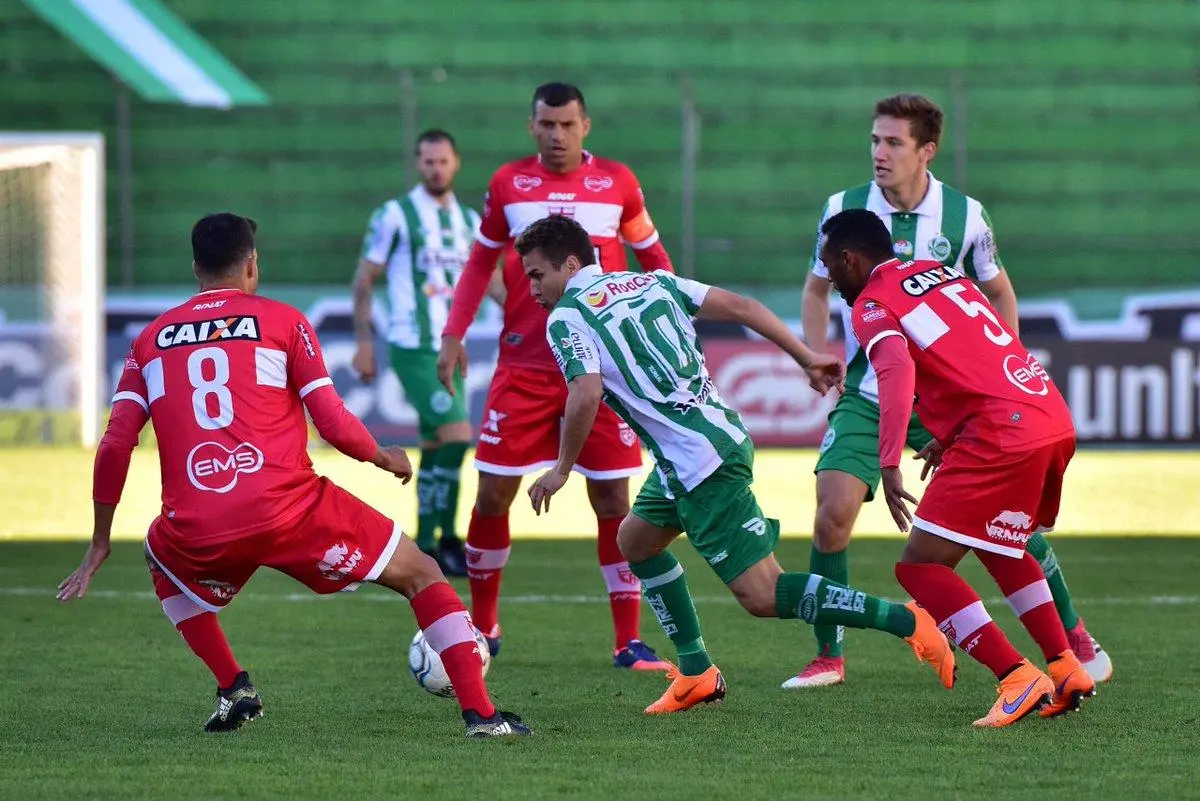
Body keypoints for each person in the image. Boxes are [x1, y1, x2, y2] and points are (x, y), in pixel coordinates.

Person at [56, 213, 529, 739]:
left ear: (195, 268)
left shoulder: (149, 341)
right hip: (291, 510)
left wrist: (100, 540)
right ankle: (482, 717)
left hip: (198, 523)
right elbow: (331, 422)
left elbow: (115, 444)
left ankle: (233, 688)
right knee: (421, 572)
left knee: (158, 555)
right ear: (253, 263)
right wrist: (382, 456)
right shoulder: (283, 322)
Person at [516, 214, 956, 715]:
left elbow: (585, 393)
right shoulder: (651, 280)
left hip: (699, 462)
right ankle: (697, 671)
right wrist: (806, 355)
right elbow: (742, 307)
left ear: (571, 265)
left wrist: (560, 467)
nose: (531, 288)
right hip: (702, 444)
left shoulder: (566, 317)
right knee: (635, 541)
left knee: (763, 595)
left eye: (536, 275)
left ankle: (907, 621)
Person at [792, 92, 1111, 689]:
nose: (879, 153)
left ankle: (1062, 643)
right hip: (871, 389)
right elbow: (815, 292)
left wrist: (994, 379)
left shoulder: (965, 215)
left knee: (1000, 533)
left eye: (893, 142)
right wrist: (816, 356)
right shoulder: (844, 208)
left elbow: (999, 295)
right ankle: (828, 654)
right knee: (832, 514)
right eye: (874, 140)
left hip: (947, 395)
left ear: (926, 151)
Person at [819, 207, 1097, 727]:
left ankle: (1016, 676)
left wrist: (889, 460)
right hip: (1047, 413)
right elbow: (972, 350)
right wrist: (948, 436)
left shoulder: (874, 304)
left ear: (850, 259)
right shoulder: (941, 272)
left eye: (832, 266)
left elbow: (897, 369)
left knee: (918, 567)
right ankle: (1065, 666)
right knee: (1001, 545)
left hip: (1001, 430)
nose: (832, 280)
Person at [436, 82, 674, 670]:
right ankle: (484, 628)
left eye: (567, 124)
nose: (557, 135)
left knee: (613, 498)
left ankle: (628, 641)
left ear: (585, 125)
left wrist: (668, 328)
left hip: (603, 367)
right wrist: (453, 333)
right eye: (547, 124)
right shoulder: (507, 184)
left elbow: (656, 261)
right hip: (523, 366)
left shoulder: (618, 183)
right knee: (492, 494)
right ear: (532, 126)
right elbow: (478, 263)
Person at [352, 129, 486, 577]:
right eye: (428, 161)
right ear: (418, 164)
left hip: (453, 347)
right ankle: (448, 537)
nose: (436, 168)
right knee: (456, 433)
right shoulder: (395, 214)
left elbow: (489, 280)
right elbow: (364, 278)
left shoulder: (469, 219)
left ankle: (428, 541)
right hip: (412, 345)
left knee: (438, 443)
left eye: (443, 160)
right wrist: (365, 344)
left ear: (456, 163)